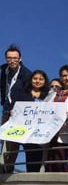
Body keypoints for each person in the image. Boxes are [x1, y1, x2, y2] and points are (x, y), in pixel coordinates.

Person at [1, 45, 32, 173]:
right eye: (9, 58)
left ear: (20, 59)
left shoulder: (26, 74)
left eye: (15, 58)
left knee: (17, 142)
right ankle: (4, 168)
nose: (12, 61)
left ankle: (9, 169)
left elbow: (30, 94)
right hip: (7, 111)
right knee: (4, 141)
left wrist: (19, 108)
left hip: (20, 114)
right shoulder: (3, 71)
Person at [11, 70, 50, 172]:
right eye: (35, 78)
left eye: (41, 79)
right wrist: (12, 111)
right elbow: (15, 106)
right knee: (30, 152)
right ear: (31, 80)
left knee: (42, 154)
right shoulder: (22, 93)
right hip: (26, 129)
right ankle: (31, 173)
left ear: (45, 82)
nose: (38, 81)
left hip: (41, 130)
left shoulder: (49, 95)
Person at [45, 65, 68, 172]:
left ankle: (66, 181)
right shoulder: (54, 92)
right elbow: (44, 106)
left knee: (60, 157)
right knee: (50, 158)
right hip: (52, 130)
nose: (67, 78)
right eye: (64, 76)